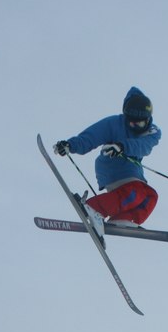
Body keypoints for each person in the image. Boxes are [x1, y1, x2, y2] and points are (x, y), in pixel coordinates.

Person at [54, 87, 161, 235]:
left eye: (140, 124)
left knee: (150, 197)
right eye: (131, 123)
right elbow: (92, 137)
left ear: (148, 119)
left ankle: (123, 220)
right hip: (111, 167)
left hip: (131, 172)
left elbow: (143, 146)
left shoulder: (153, 131)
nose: (135, 126)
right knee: (136, 191)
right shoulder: (114, 123)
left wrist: (122, 146)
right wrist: (70, 145)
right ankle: (93, 208)